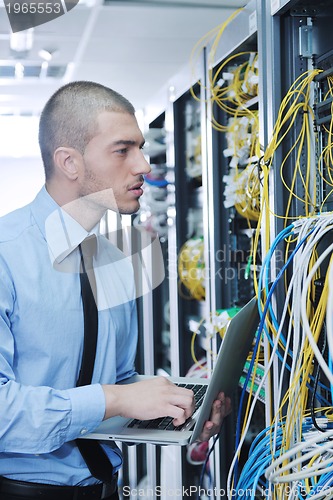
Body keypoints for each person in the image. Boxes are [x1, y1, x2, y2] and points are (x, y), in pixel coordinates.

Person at [0, 81, 231, 499]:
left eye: (141, 148)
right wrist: (115, 398)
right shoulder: (5, 256)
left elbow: (117, 382)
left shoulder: (113, 260)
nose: (144, 165)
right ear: (69, 162)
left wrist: (179, 406)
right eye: (123, 150)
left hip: (104, 487)